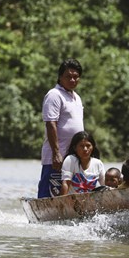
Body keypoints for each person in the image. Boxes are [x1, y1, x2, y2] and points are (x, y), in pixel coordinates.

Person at [37, 58, 85, 198]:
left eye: (75, 77)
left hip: (74, 157)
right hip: (57, 157)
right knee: (49, 192)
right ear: (60, 77)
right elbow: (50, 123)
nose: (72, 80)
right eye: (68, 76)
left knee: (70, 193)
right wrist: (56, 153)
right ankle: (42, 217)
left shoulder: (76, 97)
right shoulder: (54, 95)